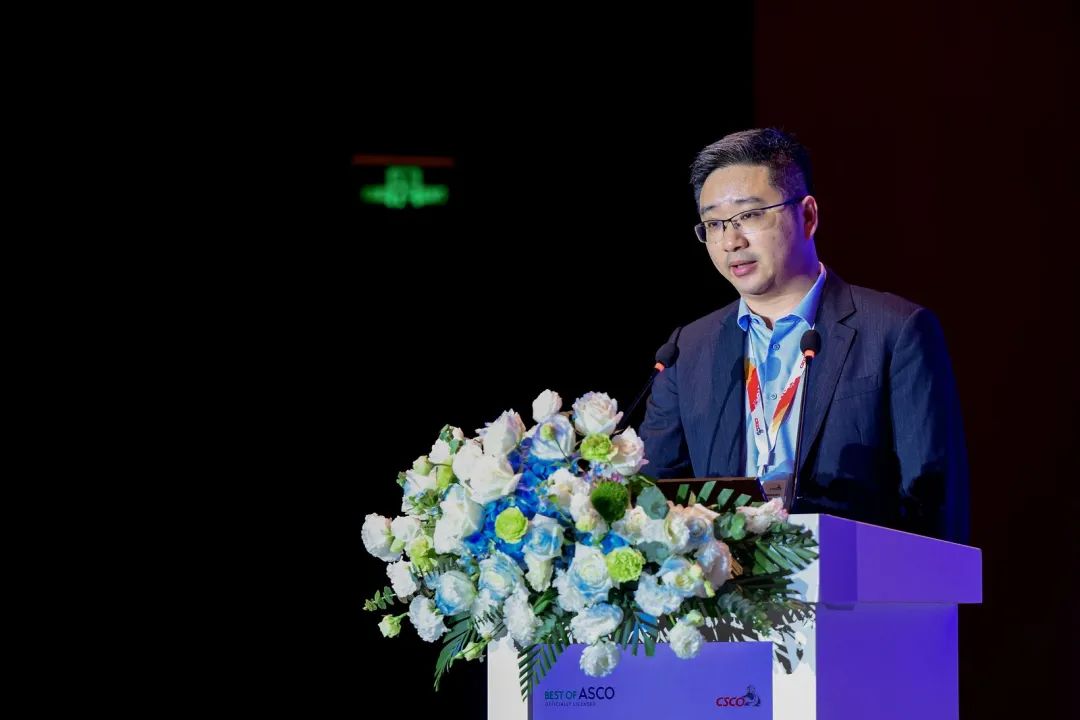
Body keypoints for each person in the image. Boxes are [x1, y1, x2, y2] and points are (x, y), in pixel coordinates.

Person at [639, 128, 969, 544]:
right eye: (714, 223)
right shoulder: (687, 348)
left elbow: (933, 505)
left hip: (855, 575)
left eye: (749, 216)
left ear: (808, 216)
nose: (731, 241)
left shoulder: (895, 331)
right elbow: (651, 499)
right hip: (726, 579)